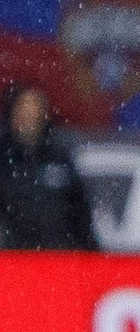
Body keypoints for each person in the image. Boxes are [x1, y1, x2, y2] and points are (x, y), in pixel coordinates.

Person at [0, 85, 95, 248]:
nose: (29, 117)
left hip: (56, 255)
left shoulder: (59, 157)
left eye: (34, 111)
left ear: (43, 116)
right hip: (12, 258)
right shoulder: (3, 159)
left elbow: (80, 211)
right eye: (24, 109)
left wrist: (87, 252)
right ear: (13, 114)